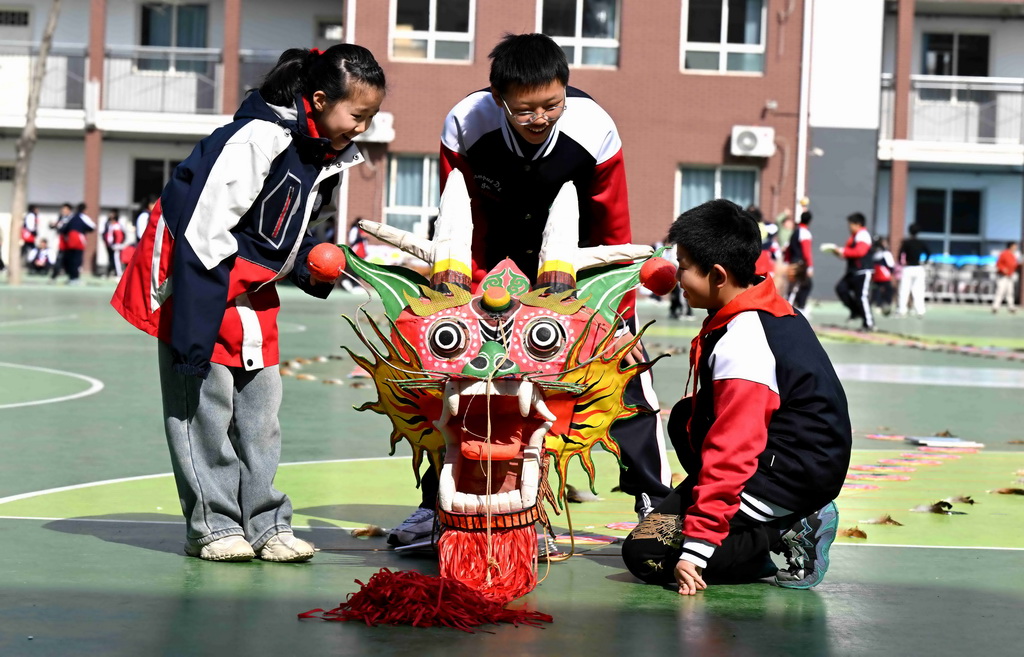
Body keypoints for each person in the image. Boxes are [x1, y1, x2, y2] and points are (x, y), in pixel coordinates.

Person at [387, 32, 673, 548]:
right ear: (499, 100)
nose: (540, 117)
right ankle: (436, 505)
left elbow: (614, 223)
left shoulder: (594, 128)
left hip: (573, 266)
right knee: (451, 384)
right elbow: (460, 212)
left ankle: (655, 500)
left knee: (628, 377)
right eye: (525, 109)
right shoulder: (466, 123)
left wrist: (617, 309)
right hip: (491, 265)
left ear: (566, 89)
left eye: (551, 104)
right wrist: (460, 299)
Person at [111, 44, 386, 562]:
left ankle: (266, 525)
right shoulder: (256, 139)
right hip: (202, 288)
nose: (362, 128)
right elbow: (202, 236)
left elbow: (284, 234)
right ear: (321, 99)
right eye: (358, 115)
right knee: (202, 416)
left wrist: (309, 264)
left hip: (254, 295)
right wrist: (192, 333)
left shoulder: (323, 154)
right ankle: (212, 527)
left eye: (369, 117)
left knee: (261, 419)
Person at [621, 199, 851, 595]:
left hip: (792, 474)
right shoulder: (751, 304)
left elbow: (734, 449)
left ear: (718, 275)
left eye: (684, 267)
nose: (676, 276)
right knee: (686, 417)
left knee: (646, 554)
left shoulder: (744, 343)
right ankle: (745, 526)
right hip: (784, 454)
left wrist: (697, 546)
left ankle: (789, 526)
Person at [826, 212, 874, 331]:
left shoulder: (863, 235)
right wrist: (837, 252)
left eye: (850, 224)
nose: (849, 227)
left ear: (858, 224)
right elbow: (848, 253)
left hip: (862, 271)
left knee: (861, 297)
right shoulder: (854, 237)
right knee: (841, 288)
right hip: (853, 271)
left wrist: (843, 251)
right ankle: (856, 311)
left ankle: (869, 323)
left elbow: (860, 252)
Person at [896, 223, 930, 317]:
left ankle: (902, 310)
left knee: (904, 290)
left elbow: (900, 254)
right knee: (919, 290)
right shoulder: (921, 243)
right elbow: (928, 253)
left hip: (908, 268)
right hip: (919, 268)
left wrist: (901, 262)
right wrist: (925, 262)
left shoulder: (906, 242)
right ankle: (920, 311)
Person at [59, 202, 96, 285]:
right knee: (77, 259)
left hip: (69, 240)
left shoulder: (71, 217)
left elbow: (64, 229)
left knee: (71, 259)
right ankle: (75, 278)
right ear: (84, 209)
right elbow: (93, 226)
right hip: (78, 239)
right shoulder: (83, 216)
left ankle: (71, 277)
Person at [784, 210, 814, 312]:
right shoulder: (805, 233)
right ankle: (796, 309)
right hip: (800, 264)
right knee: (798, 287)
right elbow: (807, 252)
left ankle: (793, 308)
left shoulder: (795, 231)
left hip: (793, 262)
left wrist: (787, 262)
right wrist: (810, 267)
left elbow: (788, 249)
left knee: (795, 287)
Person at [992, 241, 1020, 314]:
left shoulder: (1013, 255)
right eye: (1014, 246)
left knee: (1010, 292)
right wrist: (1003, 269)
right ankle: (995, 306)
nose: (1016, 247)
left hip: (1010, 276)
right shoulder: (1004, 253)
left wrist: (1019, 265)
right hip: (1002, 276)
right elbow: (998, 264)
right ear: (1011, 246)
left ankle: (1011, 307)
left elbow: (1014, 265)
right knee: (1000, 291)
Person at [870, 237, 895, 316]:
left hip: (876, 275)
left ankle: (878, 304)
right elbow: (891, 265)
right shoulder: (885, 253)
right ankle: (885, 304)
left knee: (876, 290)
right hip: (883, 275)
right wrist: (891, 272)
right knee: (888, 290)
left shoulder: (874, 254)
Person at [49, 203, 72, 282]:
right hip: (62, 243)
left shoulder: (71, 219)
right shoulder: (61, 218)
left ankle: (71, 277)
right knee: (59, 258)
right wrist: (53, 225)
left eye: (65, 210)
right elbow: (56, 226)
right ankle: (54, 276)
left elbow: (65, 228)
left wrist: (58, 226)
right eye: (62, 210)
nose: (63, 211)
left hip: (68, 243)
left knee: (68, 260)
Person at [102, 210, 127, 278]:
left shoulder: (117, 225)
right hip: (110, 245)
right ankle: (112, 271)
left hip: (116, 245)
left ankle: (118, 272)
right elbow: (106, 234)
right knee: (111, 258)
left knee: (117, 259)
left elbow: (120, 236)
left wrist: (118, 244)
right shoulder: (108, 224)